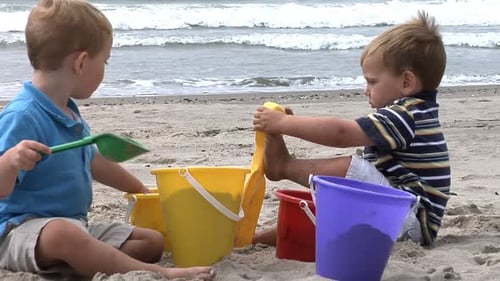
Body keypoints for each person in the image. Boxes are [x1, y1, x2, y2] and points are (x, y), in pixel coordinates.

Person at [0, 1, 215, 280]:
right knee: (63, 235)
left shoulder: (68, 113)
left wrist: (141, 189)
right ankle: (161, 274)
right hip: (18, 232)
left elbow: (95, 160)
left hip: (74, 227)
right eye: (105, 61)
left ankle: (80, 264)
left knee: (150, 242)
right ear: (81, 62)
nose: (105, 69)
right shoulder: (22, 115)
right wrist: (10, 162)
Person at [252, 11, 450, 247]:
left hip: (408, 220)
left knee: (352, 169)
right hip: (394, 214)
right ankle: (258, 239)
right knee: (329, 206)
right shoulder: (412, 114)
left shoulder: (407, 115)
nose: (366, 90)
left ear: (406, 82)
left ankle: (284, 166)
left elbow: (342, 134)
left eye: (372, 81)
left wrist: (284, 124)